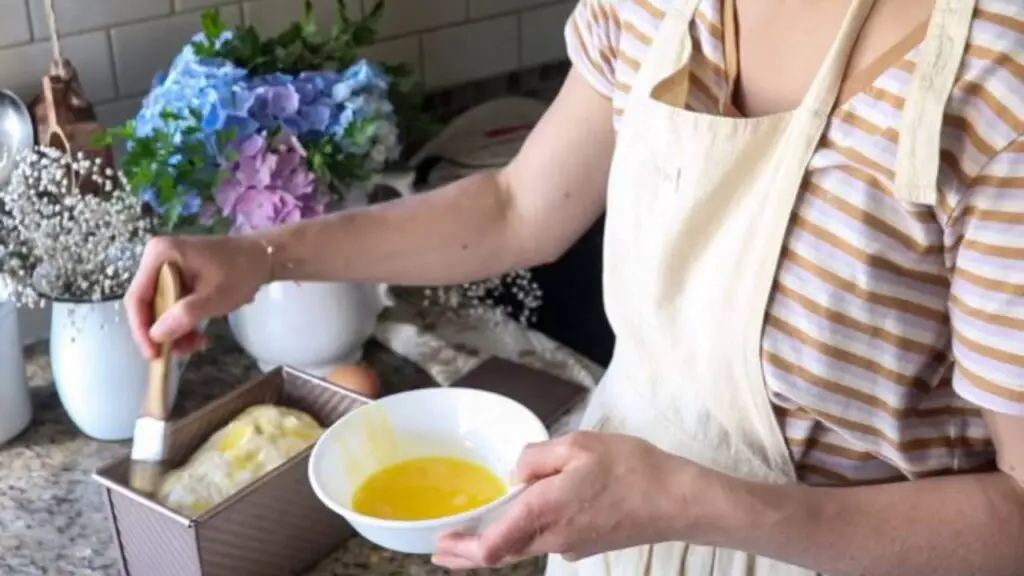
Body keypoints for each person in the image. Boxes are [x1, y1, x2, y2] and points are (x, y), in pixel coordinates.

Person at [126, 0, 1024, 574]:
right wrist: (261, 256)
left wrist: (695, 503)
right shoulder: (655, 10)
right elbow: (517, 207)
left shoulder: (993, 76)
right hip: (615, 551)